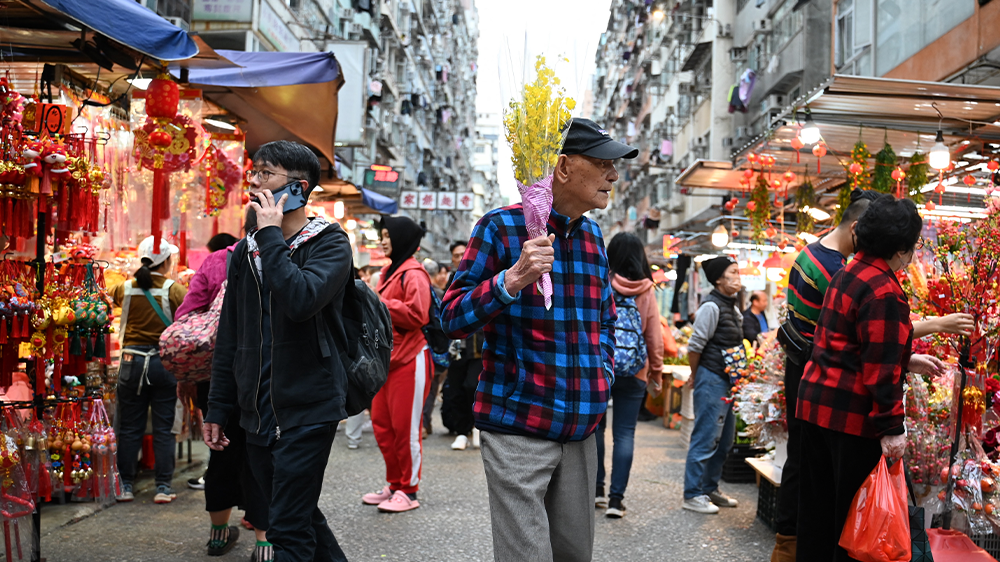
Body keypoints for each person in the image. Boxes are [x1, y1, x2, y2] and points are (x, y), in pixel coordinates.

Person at [441, 118, 636, 561]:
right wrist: (511, 280)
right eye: (604, 163)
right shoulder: (499, 228)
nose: (613, 175)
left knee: (573, 555)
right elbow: (450, 317)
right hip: (518, 428)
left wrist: (601, 377)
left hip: (582, 431)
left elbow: (604, 321)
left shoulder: (592, 235)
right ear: (564, 167)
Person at [770, 190, 973, 562]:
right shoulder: (884, 290)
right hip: (850, 420)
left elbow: (845, 342)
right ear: (900, 250)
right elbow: (878, 373)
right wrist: (892, 428)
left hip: (816, 409)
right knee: (853, 524)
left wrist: (905, 359)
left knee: (817, 516)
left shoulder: (848, 272)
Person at [205, 140, 354, 562]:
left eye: (266, 175)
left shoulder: (330, 244)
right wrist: (219, 407)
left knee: (286, 531)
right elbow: (230, 335)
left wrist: (269, 233)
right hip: (256, 414)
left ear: (300, 189)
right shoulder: (245, 251)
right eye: (254, 173)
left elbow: (301, 299)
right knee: (300, 516)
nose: (254, 183)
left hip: (307, 409)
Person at [175, 231, 270, 557]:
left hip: (218, 377)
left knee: (221, 453)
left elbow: (185, 316)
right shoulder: (282, 255)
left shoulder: (216, 261)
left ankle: (218, 535)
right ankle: (264, 544)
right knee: (262, 458)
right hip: (264, 376)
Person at [361, 215, 432, 513]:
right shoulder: (388, 272)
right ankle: (394, 484)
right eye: (383, 234)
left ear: (402, 238)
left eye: (388, 235)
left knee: (405, 429)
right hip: (386, 362)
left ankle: (409, 491)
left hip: (410, 360)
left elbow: (419, 315)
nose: (383, 240)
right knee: (382, 426)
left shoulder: (413, 273)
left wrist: (379, 302)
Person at [111, 236, 187, 504]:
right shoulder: (174, 289)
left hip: (131, 363)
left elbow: (111, 295)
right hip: (162, 363)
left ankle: (126, 486)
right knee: (164, 427)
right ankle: (163, 487)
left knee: (130, 427)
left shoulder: (125, 288)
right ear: (166, 262)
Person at [595, 232, 664, 519]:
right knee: (625, 433)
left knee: (596, 429)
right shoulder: (647, 289)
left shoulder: (602, 281)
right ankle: (615, 500)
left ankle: (596, 490)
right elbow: (654, 335)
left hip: (601, 367)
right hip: (635, 370)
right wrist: (656, 373)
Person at [681, 256, 743, 515]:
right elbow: (695, 347)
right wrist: (695, 375)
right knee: (705, 438)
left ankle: (709, 488)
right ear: (719, 278)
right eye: (733, 272)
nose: (739, 276)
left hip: (727, 381)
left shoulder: (733, 306)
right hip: (711, 378)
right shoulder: (711, 307)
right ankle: (692, 494)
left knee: (725, 439)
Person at [420, 258, 448, 437]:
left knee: (423, 386)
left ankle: (421, 423)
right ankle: (425, 423)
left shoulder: (422, 291)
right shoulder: (439, 293)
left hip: (421, 344)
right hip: (437, 346)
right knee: (431, 386)